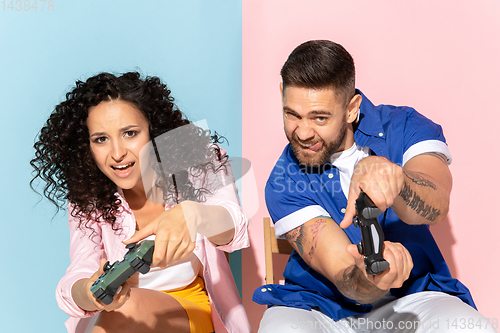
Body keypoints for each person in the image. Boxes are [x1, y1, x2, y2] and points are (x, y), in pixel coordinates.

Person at [253, 40, 496, 333]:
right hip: (318, 307)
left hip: (413, 297)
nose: (303, 133)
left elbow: (436, 205)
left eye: (319, 117)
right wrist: (371, 277)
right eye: (292, 114)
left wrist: (397, 181)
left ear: (352, 108)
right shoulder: (284, 181)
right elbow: (343, 273)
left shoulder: (405, 126)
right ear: (282, 95)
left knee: (470, 327)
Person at [30, 72, 250, 333]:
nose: (117, 153)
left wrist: (193, 214)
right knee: (122, 309)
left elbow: (235, 228)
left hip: (188, 305)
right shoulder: (88, 198)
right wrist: (88, 293)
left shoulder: (200, 162)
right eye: (101, 139)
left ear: (154, 130)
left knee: (127, 309)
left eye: (130, 133)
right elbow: (80, 268)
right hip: (116, 313)